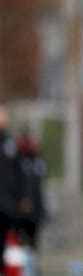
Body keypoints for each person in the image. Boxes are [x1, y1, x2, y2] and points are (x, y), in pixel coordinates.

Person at [0, 106, 22, 274]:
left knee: (10, 250)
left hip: (8, 207)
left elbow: (17, 173)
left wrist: (19, 199)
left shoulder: (10, 144)